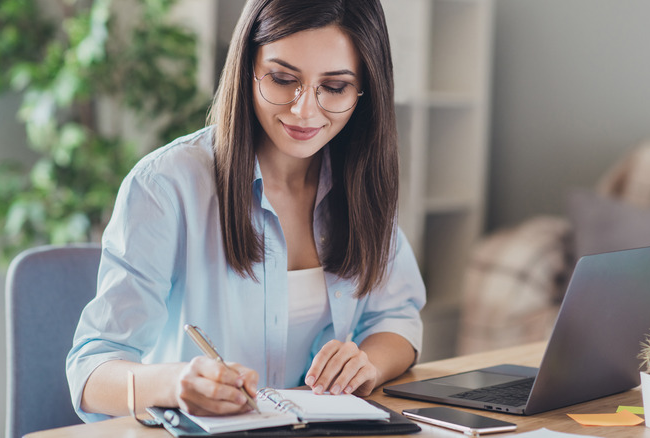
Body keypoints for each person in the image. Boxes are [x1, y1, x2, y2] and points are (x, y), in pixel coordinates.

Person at [66, 0, 426, 422]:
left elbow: (397, 318)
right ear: (246, 67)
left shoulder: (361, 182)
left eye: (335, 87)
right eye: (282, 78)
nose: (304, 109)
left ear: (365, 90)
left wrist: (367, 362)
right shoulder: (166, 186)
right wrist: (176, 384)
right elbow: (89, 374)